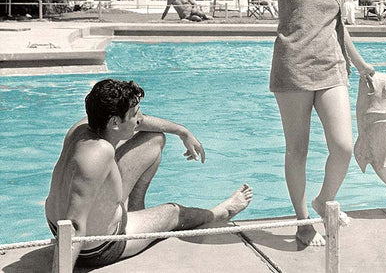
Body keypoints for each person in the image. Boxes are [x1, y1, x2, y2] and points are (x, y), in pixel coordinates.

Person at [224, 0, 375, 247]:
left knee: (342, 146)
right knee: (299, 149)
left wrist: (362, 64)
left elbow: (340, 27)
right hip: (292, 67)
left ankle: (324, 200)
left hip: (331, 68)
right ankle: (302, 219)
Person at [45, 79, 253, 271]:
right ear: (115, 122)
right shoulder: (98, 154)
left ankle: (136, 213)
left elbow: (144, 123)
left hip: (68, 224)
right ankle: (220, 213)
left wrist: (182, 131)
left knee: (154, 139)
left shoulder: (84, 126)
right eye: (134, 114)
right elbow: (74, 225)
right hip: (95, 246)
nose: (140, 119)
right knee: (173, 212)